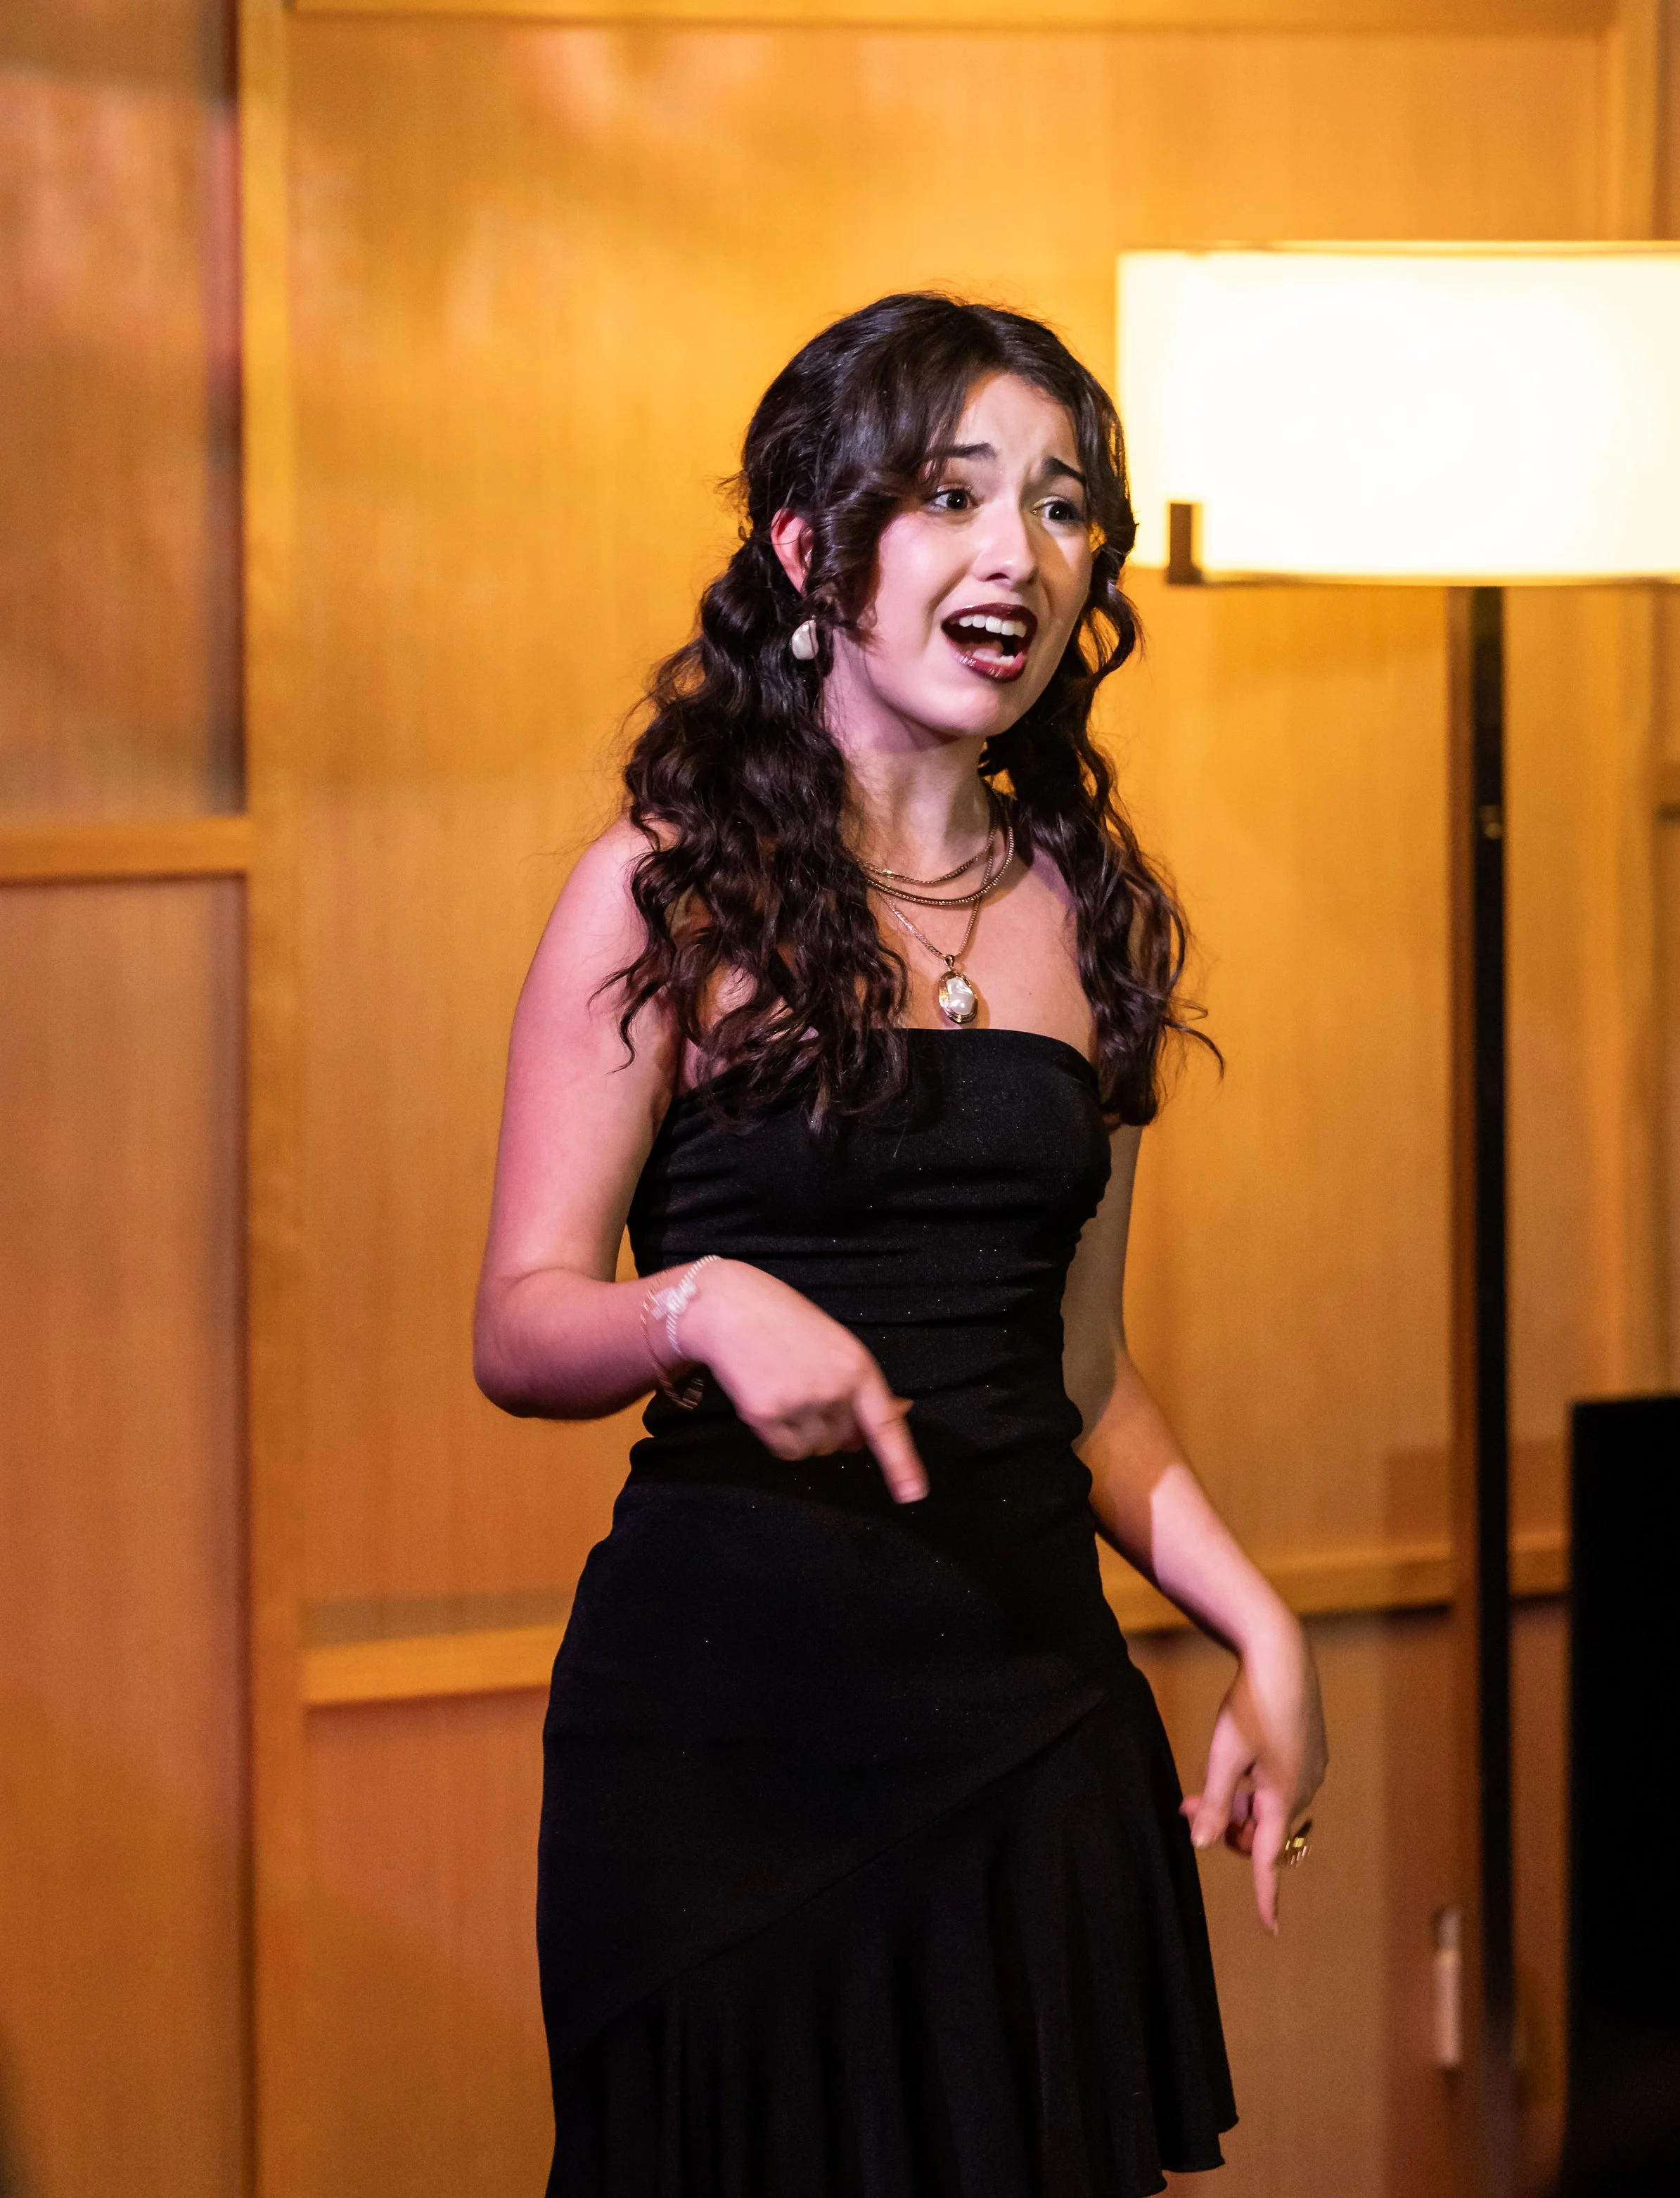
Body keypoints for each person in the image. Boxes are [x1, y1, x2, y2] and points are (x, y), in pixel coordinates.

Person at [474, 292, 1328, 2198]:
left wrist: (1261, 1622)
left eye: (1057, 504)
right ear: (809, 545)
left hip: (1032, 1722)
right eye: (948, 494)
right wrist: (696, 1303)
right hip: (723, 1741)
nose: (1013, 552)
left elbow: (1083, 1379)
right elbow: (522, 1322)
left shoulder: (1087, 907)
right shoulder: (659, 887)